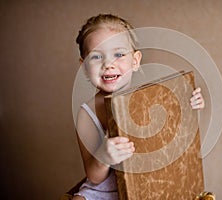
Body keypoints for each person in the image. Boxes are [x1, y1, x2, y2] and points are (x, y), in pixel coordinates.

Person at [72, 13, 205, 200]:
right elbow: (94, 177)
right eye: (96, 57)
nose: (108, 64)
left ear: (135, 61)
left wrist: (190, 107)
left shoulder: (150, 99)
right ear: (84, 67)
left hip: (147, 186)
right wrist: (104, 157)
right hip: (105, 192)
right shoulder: (87, 114)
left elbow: (174, 139)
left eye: (118, 54)